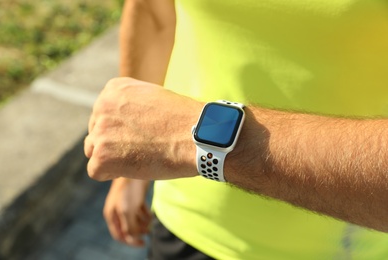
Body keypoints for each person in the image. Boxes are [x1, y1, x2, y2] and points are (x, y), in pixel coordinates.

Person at [84, 0, 388, 259]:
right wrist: (131, 176)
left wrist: (187, 140)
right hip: (187, 223)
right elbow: (154, 11)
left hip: (350, 248)